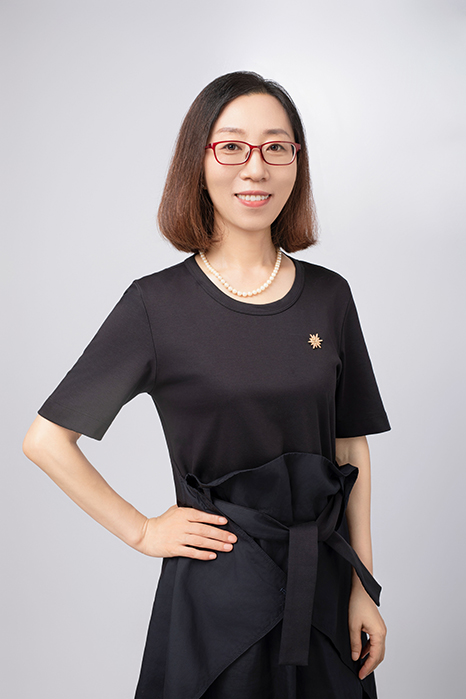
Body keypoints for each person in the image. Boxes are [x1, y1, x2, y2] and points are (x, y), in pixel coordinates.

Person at [23, 71, 390, 699]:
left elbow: (350, 448)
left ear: (297, 161)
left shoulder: (330, 296)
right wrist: (143, 531)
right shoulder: (155, 305)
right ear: (199, 160)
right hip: (217, 599)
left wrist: (364, 587)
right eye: (233, 146)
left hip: (325, 591)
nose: (256, 167)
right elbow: (46, 440)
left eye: (276, 147)